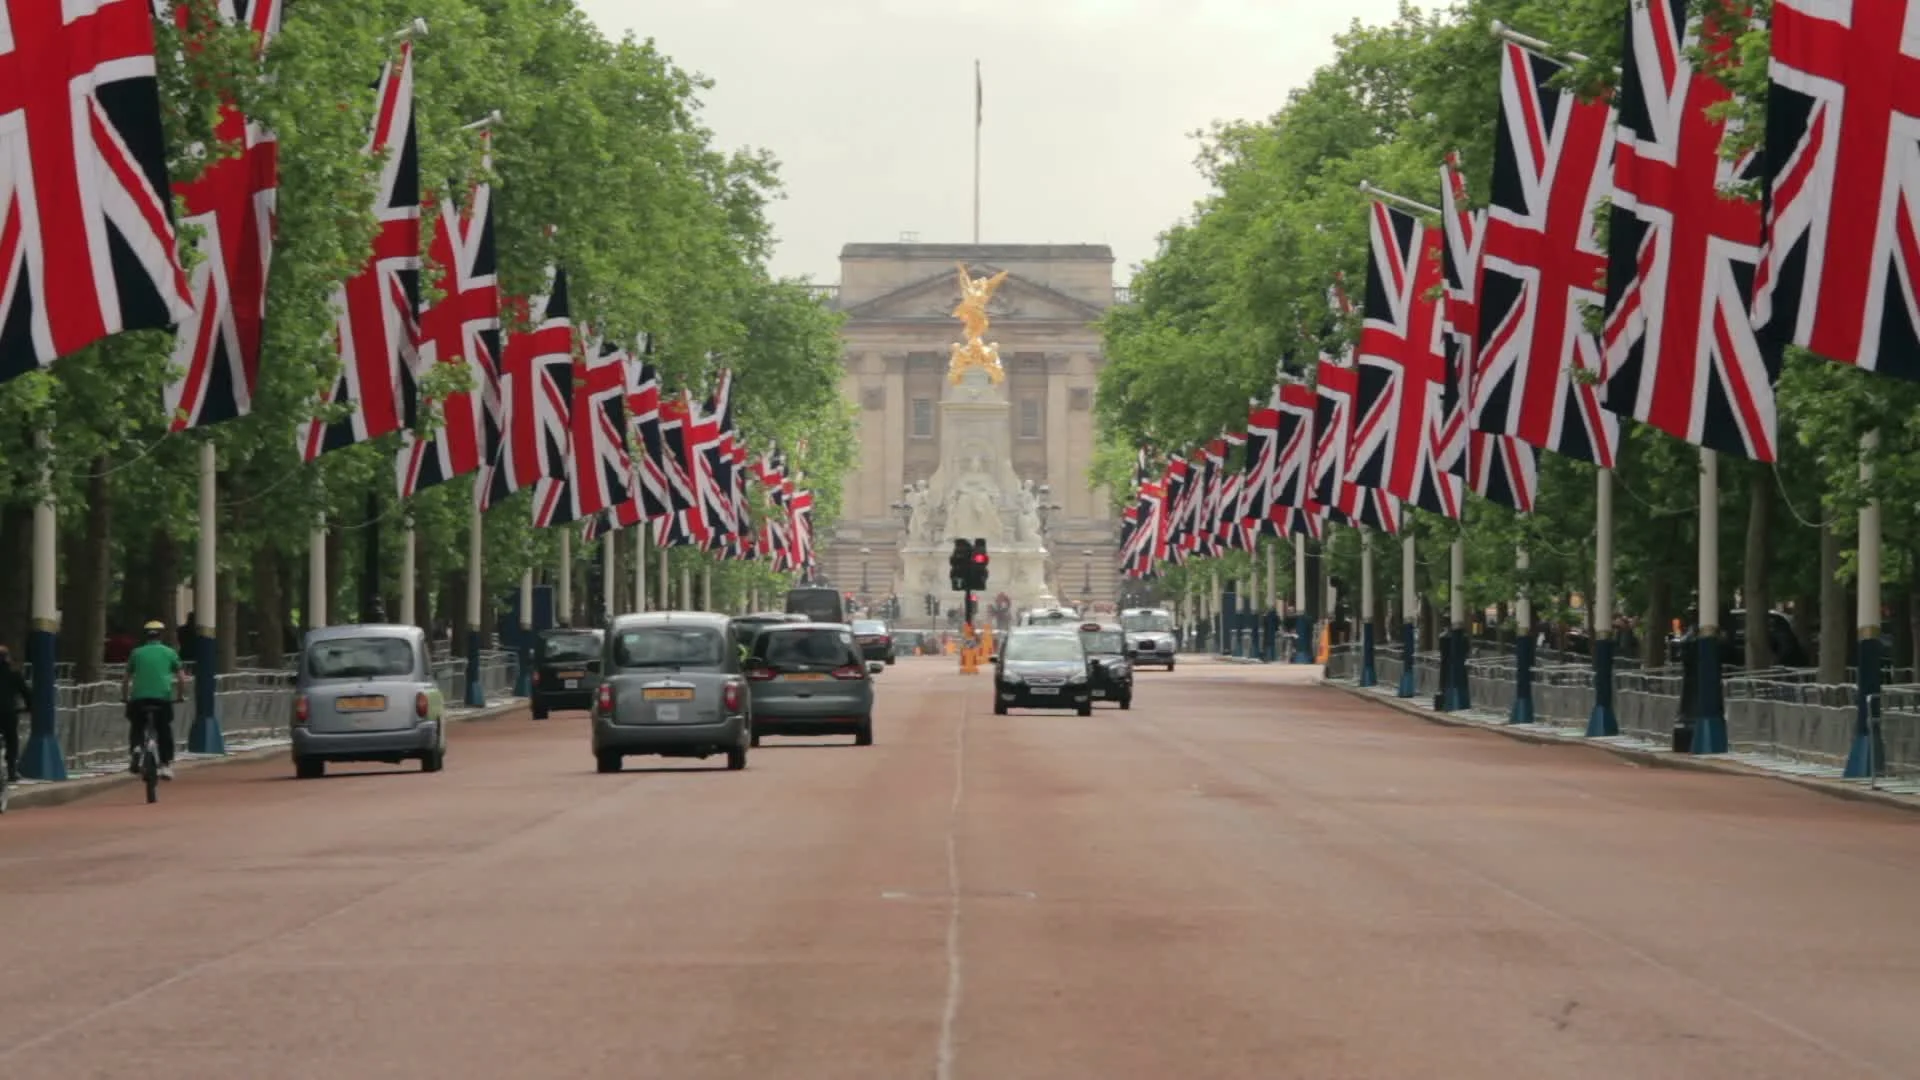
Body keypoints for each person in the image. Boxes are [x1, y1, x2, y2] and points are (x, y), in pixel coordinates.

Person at [124, 621, 184, 780]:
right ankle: (165, 764)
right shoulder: (170, 653)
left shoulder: (136, 653)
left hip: (139, 699)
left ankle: (136, 748)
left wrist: (125, 697)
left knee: (137, 725)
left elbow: (126, 678)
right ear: (162, 635)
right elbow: (181, 678)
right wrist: (180, 696)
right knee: (164, 729)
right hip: (162, 699)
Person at [0, 645, 28, 782]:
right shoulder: (14, 675)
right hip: (9, 713)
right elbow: (26, 693)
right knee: (12, 741)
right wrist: (28, 707)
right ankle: (11, 771)